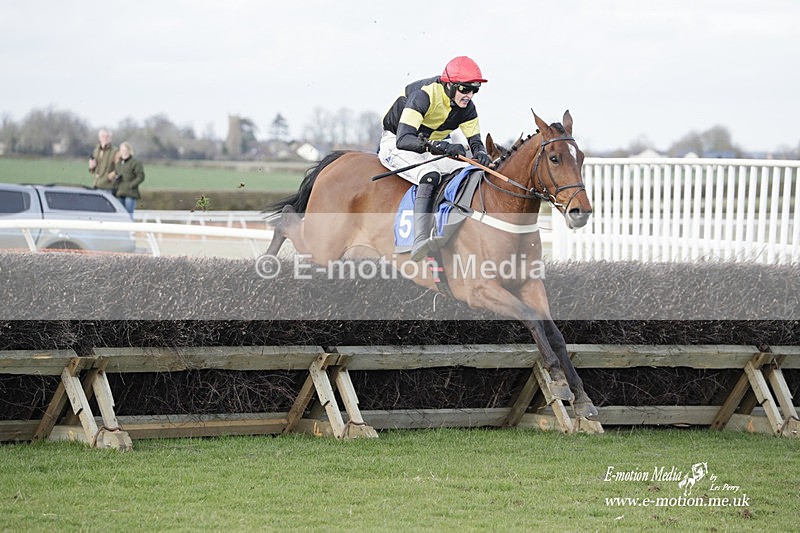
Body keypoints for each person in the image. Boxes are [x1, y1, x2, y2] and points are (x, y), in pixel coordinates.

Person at [379, 55, 493, 261]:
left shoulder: (467, 108)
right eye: (465, 89)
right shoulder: (424, 96)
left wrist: (482, 155)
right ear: (449, 85)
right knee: (429, 174)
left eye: (475, 90)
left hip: (431, 147)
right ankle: (420, 239)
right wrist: (439, 146)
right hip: (396, 143)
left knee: (469, 171)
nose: (470, 95)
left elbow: (475, 143)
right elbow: (404, 140)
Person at [113, 141, 145, 214]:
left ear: (129, 151)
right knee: (120, 215)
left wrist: (131, 185)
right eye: (122, 150)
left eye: (125, 150)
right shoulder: (118, 164)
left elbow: (141, 176)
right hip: (120, 193)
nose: (124, 152)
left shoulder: (136, 162)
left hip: (130, 194)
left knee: (129, 214)